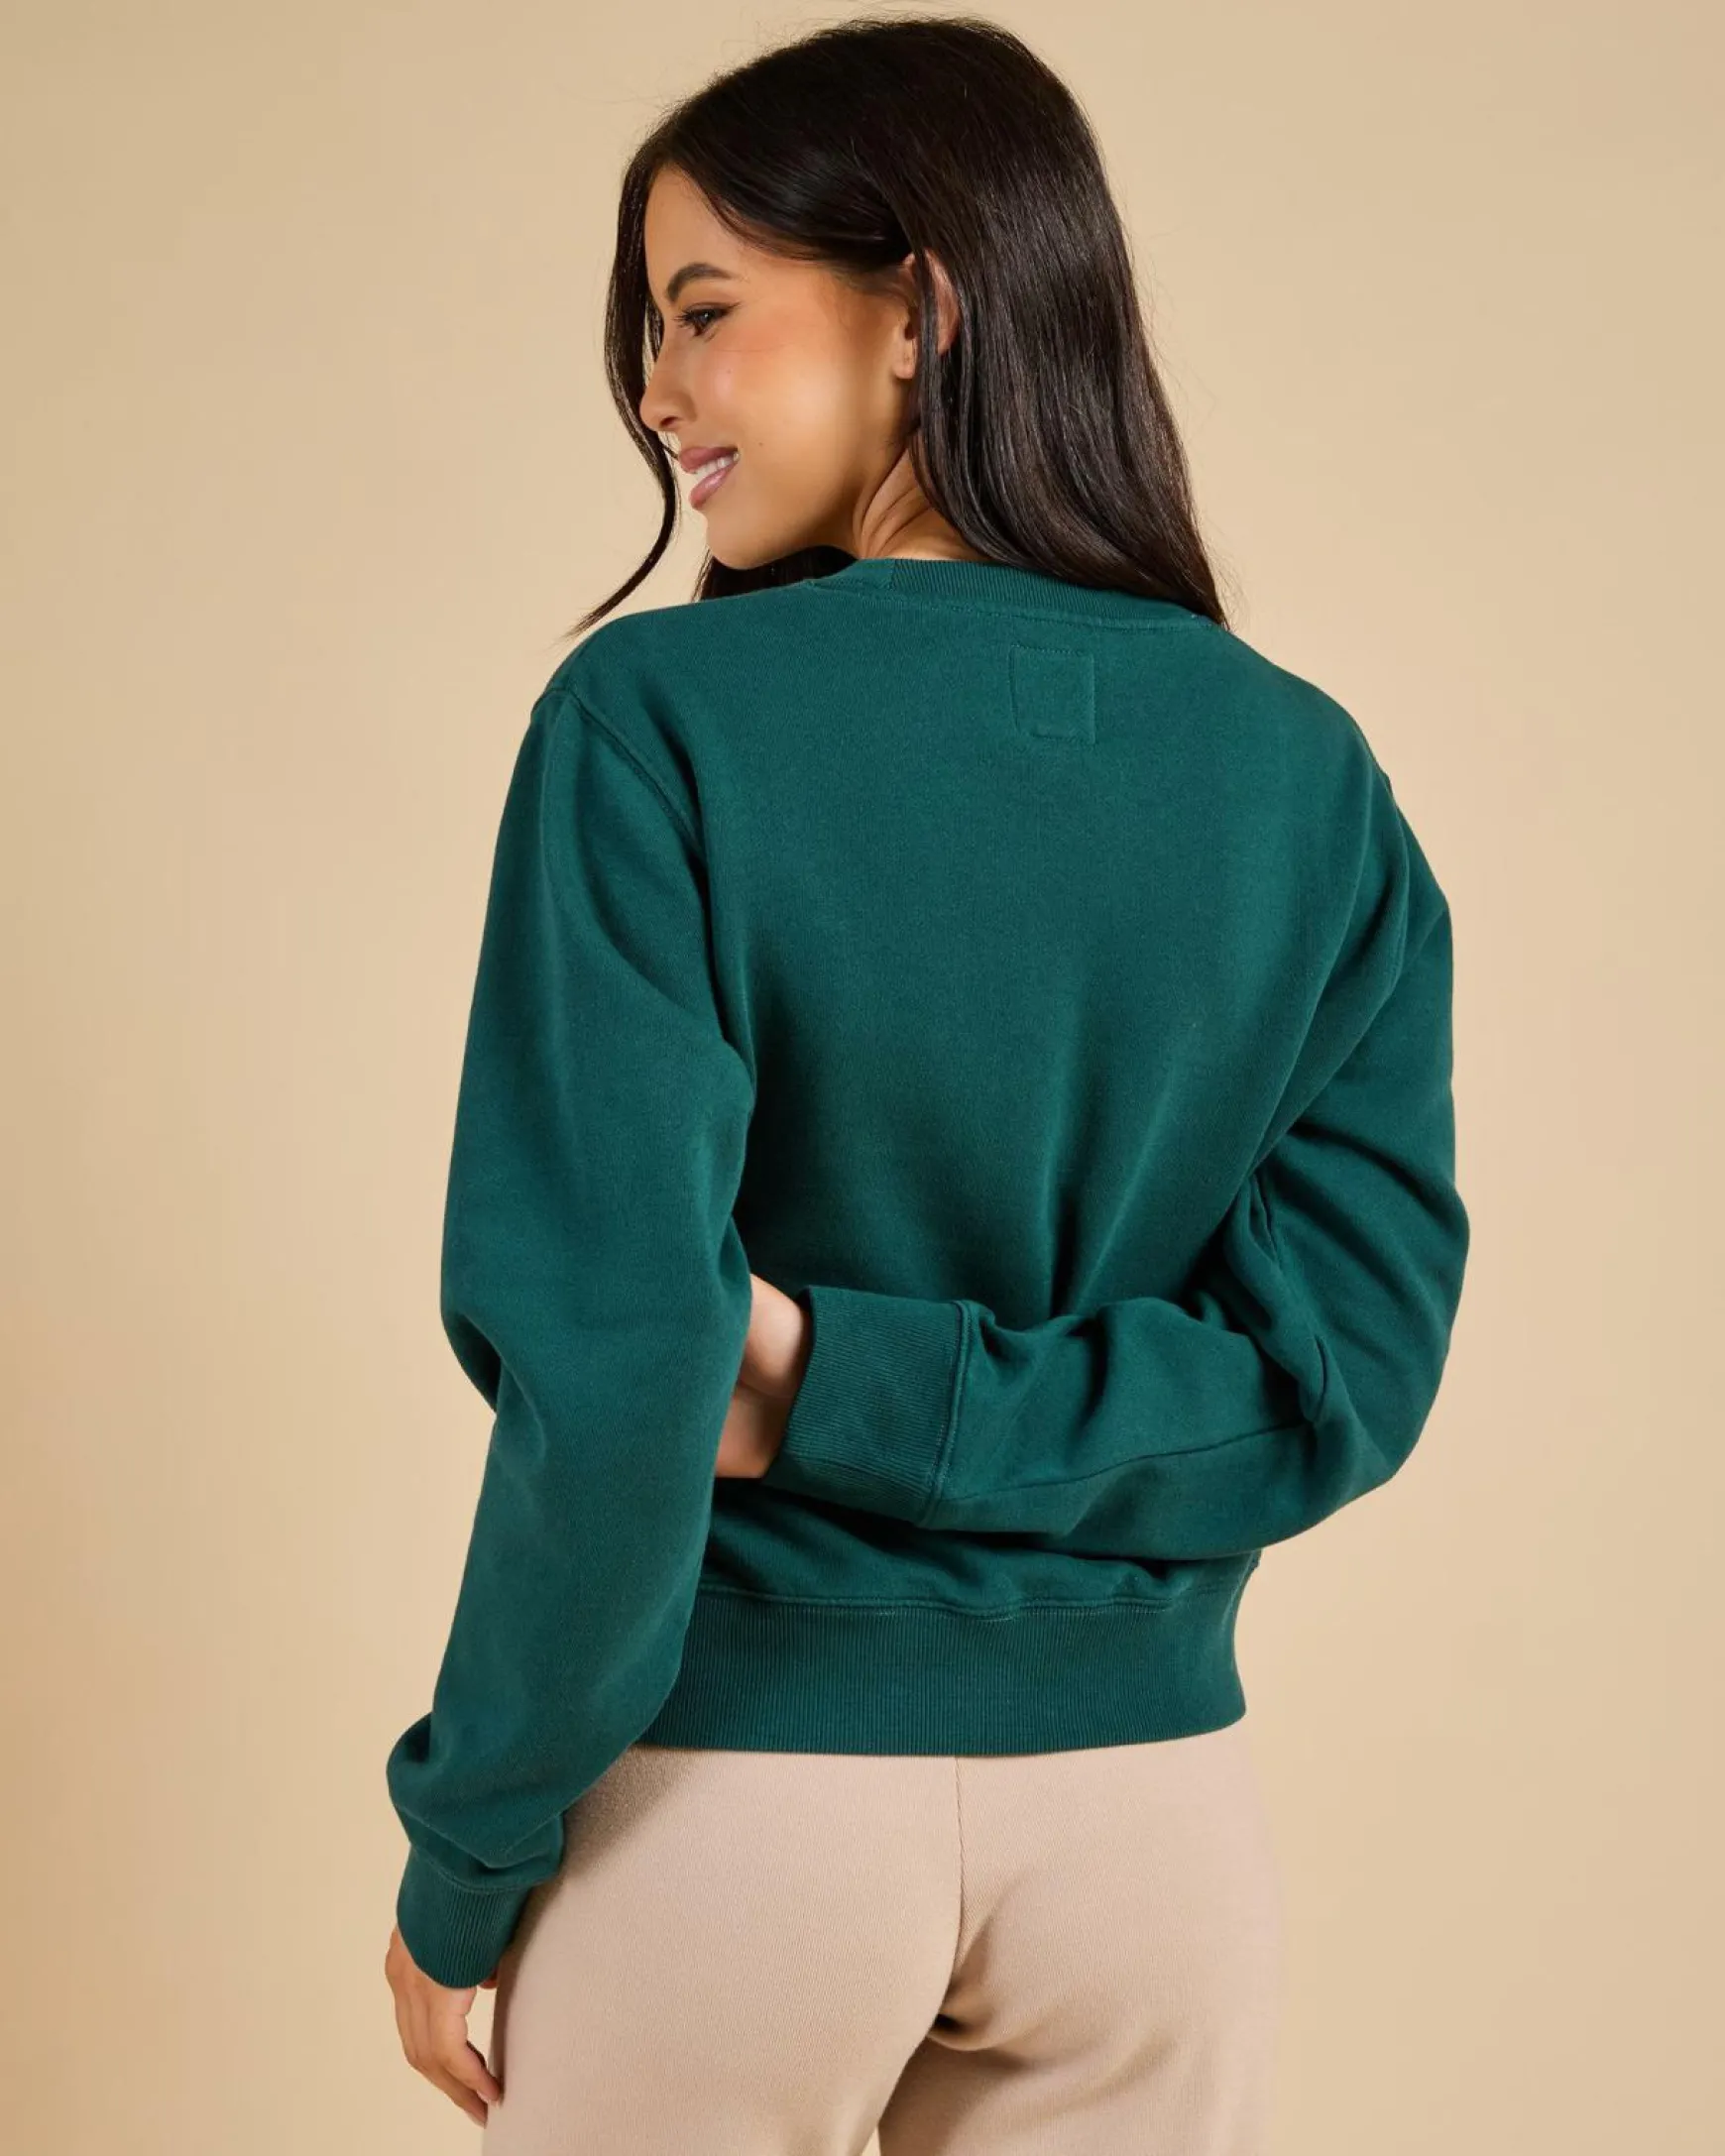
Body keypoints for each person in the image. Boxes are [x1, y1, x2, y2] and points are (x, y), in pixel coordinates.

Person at [382, 16, 1470, 2151]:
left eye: (705, 311)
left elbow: (623, 1364)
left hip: (731, 1812)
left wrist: (469, 1847)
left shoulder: (653, 724)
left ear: (924, 309)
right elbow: (1335, 1374)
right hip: (1151, 1843)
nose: (655, 390)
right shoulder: (1306, 774)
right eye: (649, 331)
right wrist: (894, 1397)